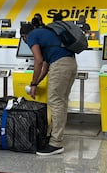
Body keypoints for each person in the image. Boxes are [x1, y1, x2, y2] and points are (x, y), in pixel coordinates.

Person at [21, 22, 77, 156]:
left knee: (55, 102)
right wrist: (35, 82)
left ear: (24, 36)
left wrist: (33, 84)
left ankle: (55, 143)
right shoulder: (45, 34)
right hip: (70, 64)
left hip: (60, 65)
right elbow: (45, 66)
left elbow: (38, 61)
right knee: (61, 102)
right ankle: (54, 137)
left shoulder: (31, 37)